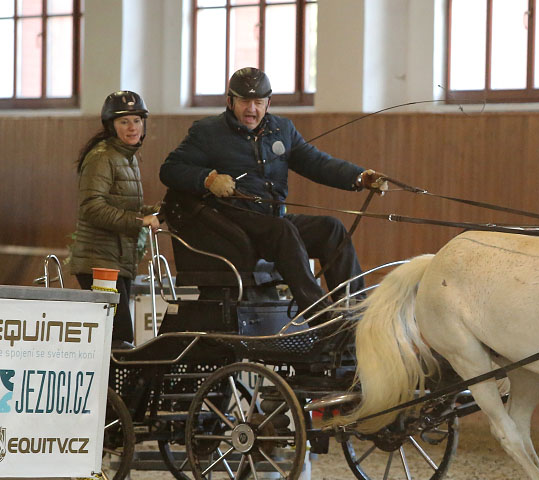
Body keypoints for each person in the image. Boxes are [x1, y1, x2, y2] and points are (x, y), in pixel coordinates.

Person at [159, 67, 384, 315]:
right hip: (232, 224)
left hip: (272, 220)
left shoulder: (282, 130)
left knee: (332, 229)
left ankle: (355, 313)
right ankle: (320, 314)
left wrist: (359, 177)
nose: (251, 109)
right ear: (230, 101)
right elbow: (170, 169)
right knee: (283, 230)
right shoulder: (208, 132)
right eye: (245, 101)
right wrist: (208, 179)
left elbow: (316, 163)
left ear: (268, 103)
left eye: (258, 102)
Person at [68, 90, 161, 348]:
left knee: (116, 336)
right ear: (111, 126)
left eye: (137, 120)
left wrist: (154, 211)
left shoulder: (126, 156)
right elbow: (92, 207)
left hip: (117, 260)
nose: (132, 127)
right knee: (118, 337)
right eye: (124, 122)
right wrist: (139, 221)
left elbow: (122, 204)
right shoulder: (103, 156)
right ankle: (110, 389)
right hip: (100, 263)